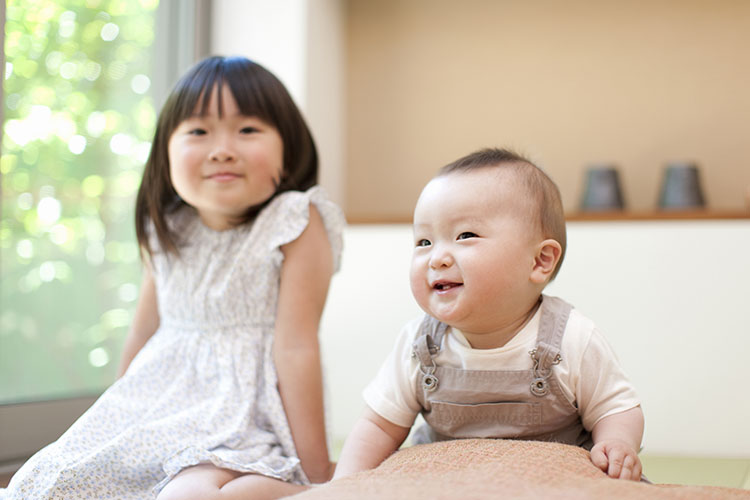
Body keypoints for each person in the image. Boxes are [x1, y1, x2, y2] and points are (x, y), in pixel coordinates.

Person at [2, 56, 344, 500]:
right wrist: (113, 421)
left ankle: (287, 485)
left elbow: (296, 346)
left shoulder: (295, 220)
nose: (223, 149)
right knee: (47, 479)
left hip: (242, 416)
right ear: (166, 151)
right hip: (159, 411)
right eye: (199, 132)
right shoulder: (168, 225)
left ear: (288, 148)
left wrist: (316, 471)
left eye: (247, 130)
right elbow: (143, 332)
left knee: (188, 494)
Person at [333, 148, 645, 482]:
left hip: (550, 483)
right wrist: (343, 485)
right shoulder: (419, 344)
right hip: (449, 483)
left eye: (465, 235)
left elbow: (616, 408)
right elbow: (378, 425)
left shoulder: (571, 338)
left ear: (540, 261)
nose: (436, 257)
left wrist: (616, 442)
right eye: (424, 241)